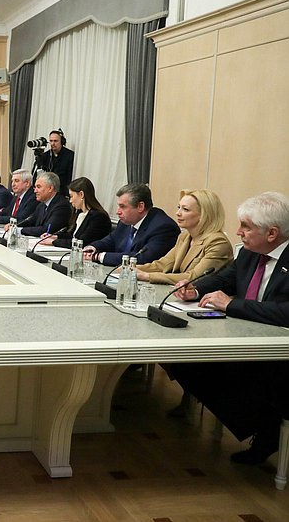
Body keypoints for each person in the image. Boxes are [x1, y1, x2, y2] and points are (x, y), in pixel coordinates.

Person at [169, 192, 289, 466]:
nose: (238, 232)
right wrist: (195, 289)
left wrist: (233, 305)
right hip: (246, 338)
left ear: (272, 233)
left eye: (246, 226)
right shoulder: (249, 253)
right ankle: (258, 425)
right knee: (184, 362)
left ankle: (266, 431)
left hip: (281, 356)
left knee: (233, 374)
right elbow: (226, 277)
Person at [135, 189, 233, 284]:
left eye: (185, 209)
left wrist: (147, 276)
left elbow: (194, 277)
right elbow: (163, 265)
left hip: (203, 298)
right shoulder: (184, 237)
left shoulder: (218, 242)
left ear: (204, 215)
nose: (178, 213)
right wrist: (130, 268)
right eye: (179, 207)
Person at [83, 183, 179, 266]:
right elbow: (112, 240)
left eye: (122, 207)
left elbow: (142, 259)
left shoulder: (163, 227)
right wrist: (92, 248)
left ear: (140, 206)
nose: (118, 212)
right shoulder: (126, 222)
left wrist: (99, 256)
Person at [37, 177, 111, 248]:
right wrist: (54, 236)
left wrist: (53, 242)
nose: (70, 201)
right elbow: (72, 235)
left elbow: (82, 242)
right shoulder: (79, 213)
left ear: (81, 194)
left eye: (72, 196)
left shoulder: (98, 217)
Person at [16, 172, 72, 238]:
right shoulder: (41, 205)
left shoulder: (62, 206)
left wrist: (20, 230)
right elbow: (30, 221)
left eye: (38, 187)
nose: (35, 191)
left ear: (50, 188)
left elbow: (46, 230)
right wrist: (15, 226)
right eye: (35, 187)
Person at [41, 129, 74, 195]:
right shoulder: (45, 156)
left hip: (62, 191)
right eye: (51, 141)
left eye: (55, 141)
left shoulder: (69, 155)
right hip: (47, 191)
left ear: (61, 141)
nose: (53, 143)